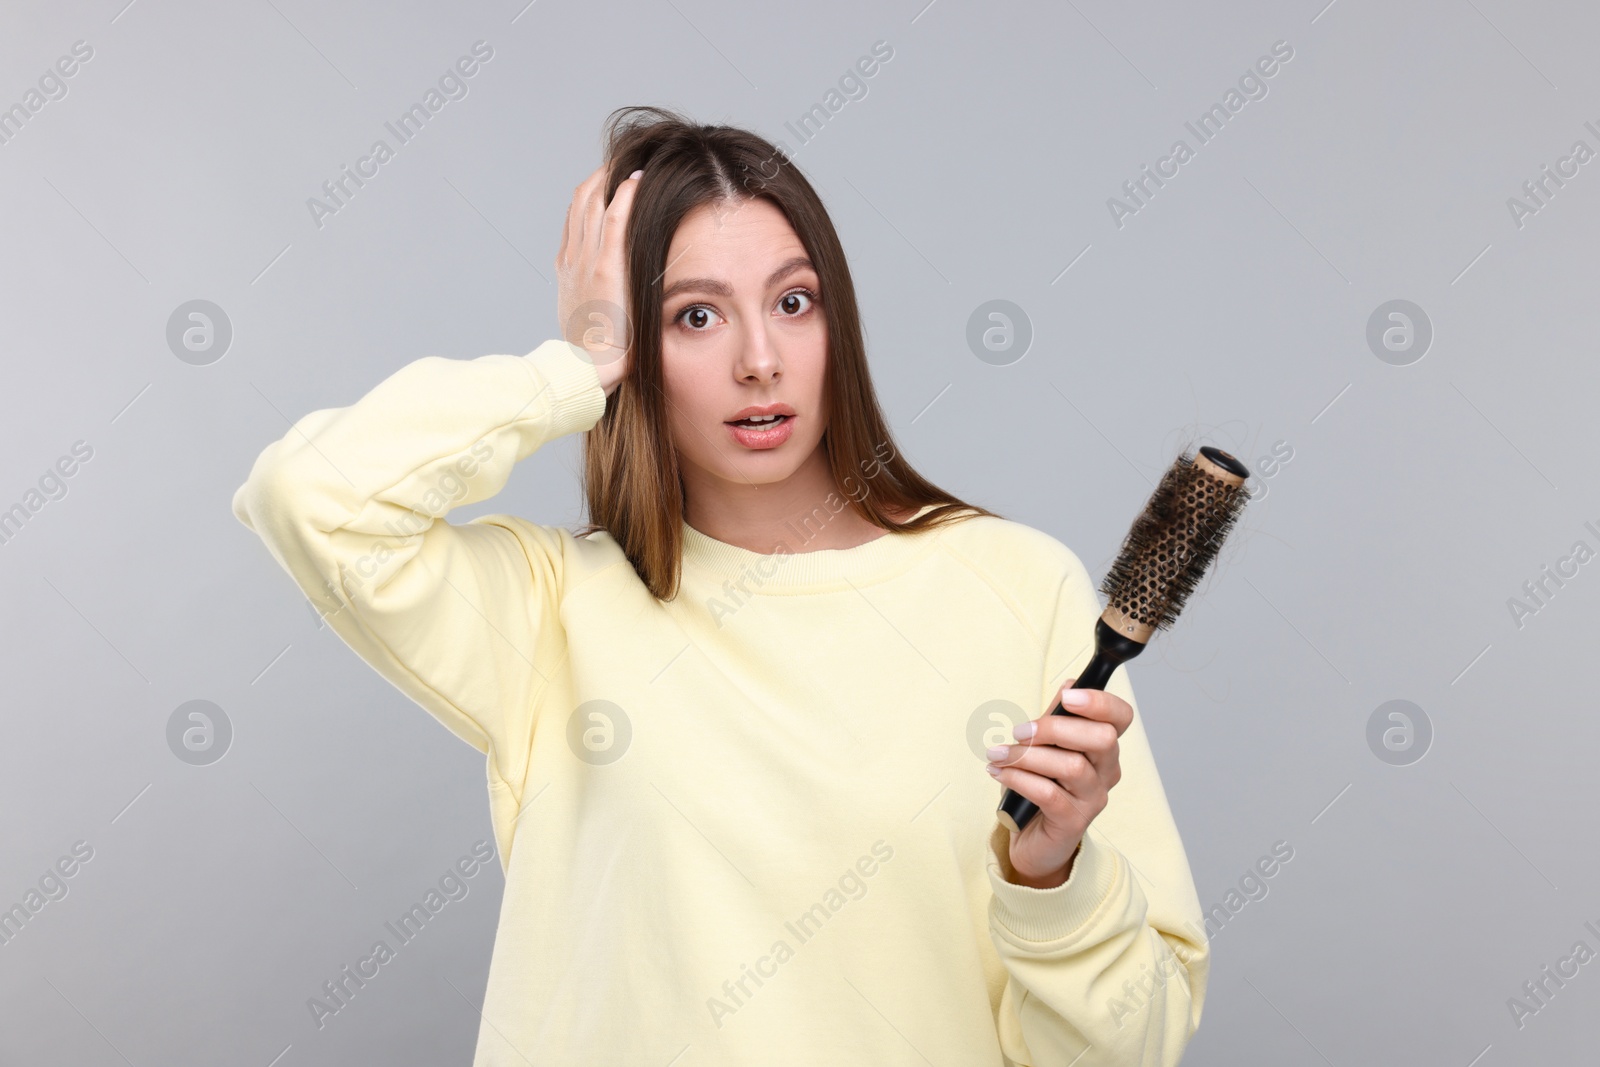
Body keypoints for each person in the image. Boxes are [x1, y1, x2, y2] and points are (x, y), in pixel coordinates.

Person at [231, 105, 1208, 1065]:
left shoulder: (1017, 585)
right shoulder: (550, 610)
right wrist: (576, 365)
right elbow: (308, 494)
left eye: (793, 302)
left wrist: (1054, 881)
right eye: (694, 315)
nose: (759, 361)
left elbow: (1133, 1045)